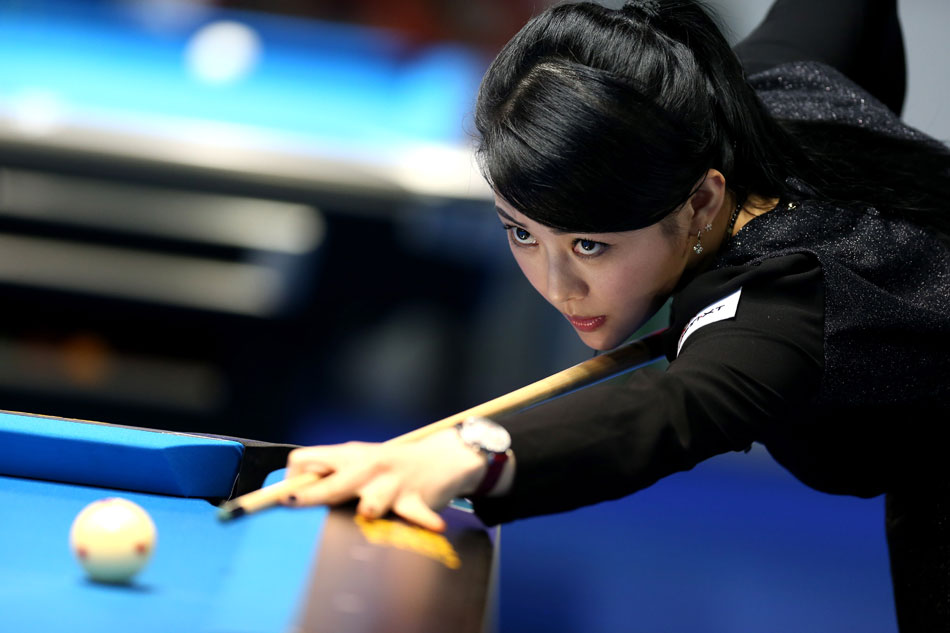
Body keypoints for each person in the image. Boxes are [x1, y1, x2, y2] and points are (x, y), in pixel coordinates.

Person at [283, 0, 950, 628]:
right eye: (521, 233)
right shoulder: (738, 103)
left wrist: (468, 455)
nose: (557, 284)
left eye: (590, 245)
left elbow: (668, 410)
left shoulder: (784, 306)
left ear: (700, 202)